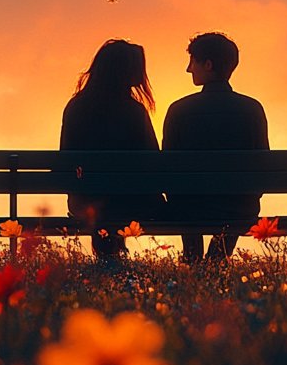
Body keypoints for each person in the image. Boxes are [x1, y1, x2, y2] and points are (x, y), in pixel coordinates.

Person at [162, 32, 269, 263]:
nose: (188, 69)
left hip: (188, 208)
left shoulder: (179, 110)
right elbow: (263, 168)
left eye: (192, 62)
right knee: (238, 204)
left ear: (208, 65)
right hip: (239, 208)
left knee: (185, 201)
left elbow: (167, 169)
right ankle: (216, 261)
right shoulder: (252, 109)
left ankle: (194, 261)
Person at [60, 39, 164, 265]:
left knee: (106, 203)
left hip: (86, 204)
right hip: (134, 202)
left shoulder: (76, 107)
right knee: (123, 198)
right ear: (127, 71)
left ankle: (109, 259)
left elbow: (65, 160)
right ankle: (114, 259)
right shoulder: (134, 111)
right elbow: (153, 161)